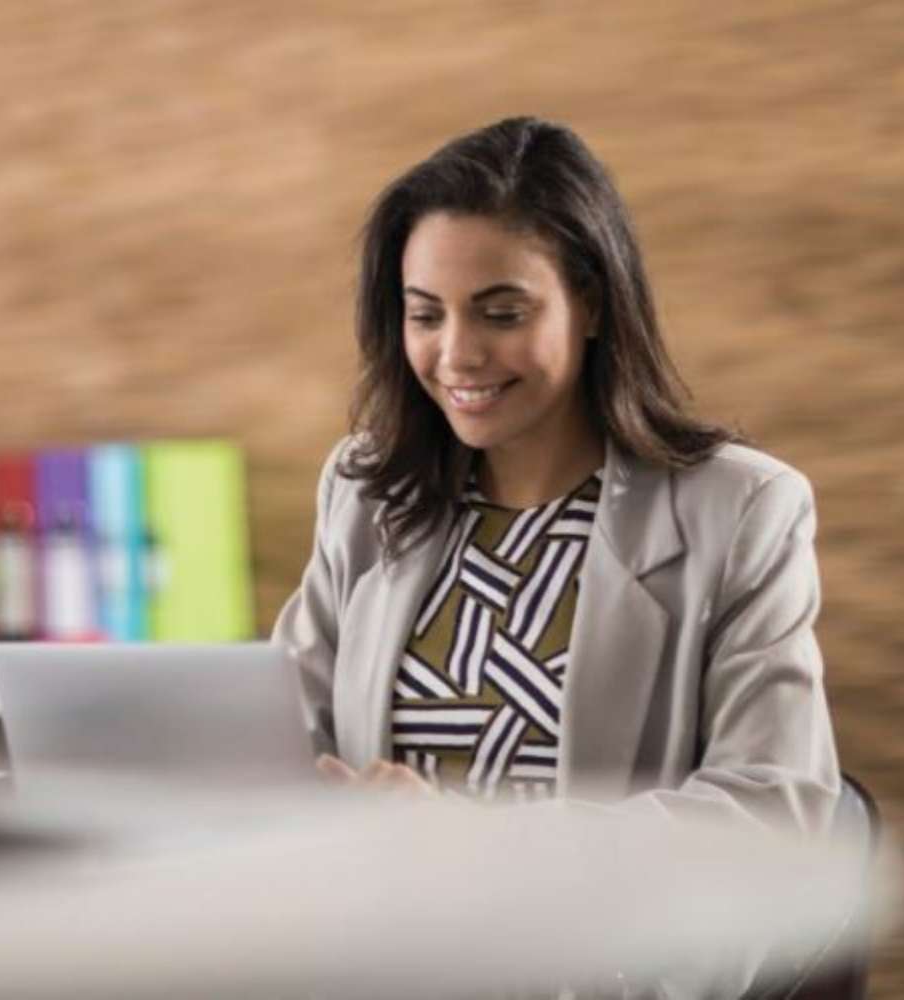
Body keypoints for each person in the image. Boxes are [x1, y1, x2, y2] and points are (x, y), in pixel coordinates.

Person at [274, 116, 842, 834]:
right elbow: (279, 743)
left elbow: (775, 807)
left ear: (594, 305)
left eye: (502, 314)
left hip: (604, 945)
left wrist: (481, 841)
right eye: (425, 315)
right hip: (383, 939)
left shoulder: (742, 510)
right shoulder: (366, 488)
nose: (457, 355)